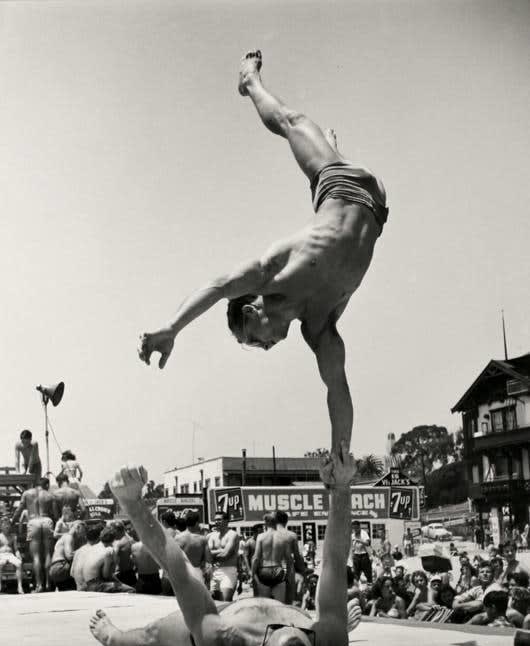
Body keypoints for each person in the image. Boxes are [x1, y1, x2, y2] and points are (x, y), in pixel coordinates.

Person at [138, 50, 388, 454]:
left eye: (251, 340)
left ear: (252, 311)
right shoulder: (318, 326)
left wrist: (172, 328)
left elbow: (219, 285)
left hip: (338, 181)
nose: (263, 347)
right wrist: (341, 454)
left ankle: (249, 80)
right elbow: (337, 387)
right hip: (375, 205)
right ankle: (333, 147)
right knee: (318, 150)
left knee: (291, 122)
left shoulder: (270, 273)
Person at [89, 446, 358, 646]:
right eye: (303, 635)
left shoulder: (225, 645)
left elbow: (180, 567)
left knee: (154, 634)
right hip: (245, 611)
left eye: (279, 632)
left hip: (222, 617)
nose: (291, 628)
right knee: (332, 624)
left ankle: (113, 637)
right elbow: (333, 559)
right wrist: (342, 487)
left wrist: (133, 505)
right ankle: (332, 620)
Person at [11, 475, 58, 592]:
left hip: (33, 521)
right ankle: (48, 583)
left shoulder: (27, 493)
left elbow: (19, 510)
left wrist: (13, 521)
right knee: (48, 554)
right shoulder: (50, 495)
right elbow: (56, 515)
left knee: (36, 557)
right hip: (47, 521)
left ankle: (39, 585)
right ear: (46, 485)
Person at [71, 523, 135, 593]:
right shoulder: (108, 550)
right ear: (114, 539)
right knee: (131, 590)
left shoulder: (93, 547)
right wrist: (114, 564)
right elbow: (106, 575)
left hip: (86, 583)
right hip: (96, 584)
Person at [251, 513, 292, 602]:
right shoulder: (284, 537)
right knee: (280, 604)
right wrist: (288, 576)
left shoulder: (261, 537)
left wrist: (252, 574)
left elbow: (256, 558)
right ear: (276, 522)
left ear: (265, 523)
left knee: (265, 605)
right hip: (278, 570)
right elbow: (289, 559)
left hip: (264, 571)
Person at [274, 510, 306, 605]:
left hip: (271, 569)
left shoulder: (266, 535)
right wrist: (302, 571)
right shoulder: (291, 535)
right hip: (287, 569)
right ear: (286, 521)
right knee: (288, 601)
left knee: (274, 601)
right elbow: (297, 556)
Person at [206, 511, 240, 601]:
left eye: (219, 519)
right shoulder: (211, 536)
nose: (216, 522)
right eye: (215, 520)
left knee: (225, 602)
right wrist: (220, 551)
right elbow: (206, 554)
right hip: (214, 572)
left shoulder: (232, 534)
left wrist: (212, 554)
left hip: (228, 571)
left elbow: (225, 554)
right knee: (215, 604)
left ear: (226, 521)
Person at [49, 521, 87, 591]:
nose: (83, 534)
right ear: (78, 527)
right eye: (83, 531)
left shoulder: (65, 537)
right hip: (60, 567)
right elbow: (69, 555)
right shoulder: (69, 537)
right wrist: (84, 550)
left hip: (56, 568)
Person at [174, 510, 208, 583]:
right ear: (196, 523)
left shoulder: (177, 538)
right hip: (196, 573)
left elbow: (174, 557)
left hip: (182, 573)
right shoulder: (202, 539)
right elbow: (208, 560)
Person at [0, 517, 24, 594]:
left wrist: (18, 555)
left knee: (19, 563)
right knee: (0, 564)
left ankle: (19, 586)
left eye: (8, 524)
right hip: (1, 555)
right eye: (4, 524)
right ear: (1, 526)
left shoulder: (13, 536)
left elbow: (16, 549)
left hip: (10, 555)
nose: (7, 526)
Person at [111, 520, 137, 588]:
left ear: (117, 531)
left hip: (123, 575)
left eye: (113, 531)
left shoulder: (119, 544)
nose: (112, 534)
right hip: (131, 573)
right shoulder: (132, 540)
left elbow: (113, 561)